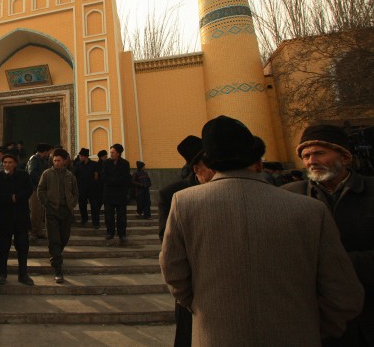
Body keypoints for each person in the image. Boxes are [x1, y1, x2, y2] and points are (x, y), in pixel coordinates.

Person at [160, 116, 364, 346]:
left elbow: (174, 273)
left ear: (211, 164)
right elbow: (345, 294)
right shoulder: (310, 210)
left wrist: (206, 309)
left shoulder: (185, 204)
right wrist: (311, 328)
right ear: (259, 162)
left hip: (218, 335)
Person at [283, 124, 374, 345]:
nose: (310, 161)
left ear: (344, 157)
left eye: (319, 153)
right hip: (319, 319)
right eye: (305, 156)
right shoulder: (289, 197)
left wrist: (334, 265)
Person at [156, 135, 212, 347]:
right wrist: (186, 295)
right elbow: (169, 248)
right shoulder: (174, 194)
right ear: (195, 168)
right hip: (194, 290)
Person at [0, 152, 34, 285]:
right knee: (3, 247)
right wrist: (10, 198)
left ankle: (23, 274)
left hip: (21, 217)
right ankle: (2, 274)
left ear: (15, 163)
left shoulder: (23, 176)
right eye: (5, 163)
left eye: (10, 162)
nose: (7, 165)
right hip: (4, 217)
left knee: (22, 246)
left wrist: (18, 197)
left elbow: (29, 190)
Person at [37, 148, 79, 284]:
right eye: (54, 160)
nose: (56, 163)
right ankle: (57, 267)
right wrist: (46, 204)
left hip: (65, 211)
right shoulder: (47, 174)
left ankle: (56, 255)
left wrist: (71, 204)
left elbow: (75, 192)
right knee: (54, 238)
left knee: (64, 237)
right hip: (52, 211)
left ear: (65, 161)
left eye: (58, 160)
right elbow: (40, 190)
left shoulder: (70, 176)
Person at [102, 144, 131, 243]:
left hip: (120, 194)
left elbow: (126, 177)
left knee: (121, 216)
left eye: (113, 152)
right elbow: (104, 176)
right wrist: (113, 181)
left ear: (118, 153)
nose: (111, 154)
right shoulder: (106, 163)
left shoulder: (125, 164)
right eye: (111, 152)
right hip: (109, 193)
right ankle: (110, 232)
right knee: (109, 215)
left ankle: (122, 234)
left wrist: (116, 181)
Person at [27, 143, 51, 242]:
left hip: (40, 189)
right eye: (48, 151)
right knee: (35, 211)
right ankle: (33, 232)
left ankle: (40, 231)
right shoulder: (34, 159)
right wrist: (41, 183)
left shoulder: (43, 160)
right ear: (44, 151)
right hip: (34, 189)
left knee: (41, 212)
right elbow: (32, 173)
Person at [73, 148, 96, 226]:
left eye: (81, 156)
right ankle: (84, 219)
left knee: (94, 206)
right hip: (81, 188)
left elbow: (96, 177)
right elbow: (74, 175)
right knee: (82, 205)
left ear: (85, 156)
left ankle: (95, 222)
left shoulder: (94, 164)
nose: (80, 157)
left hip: (92, 189)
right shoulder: (78, 165)